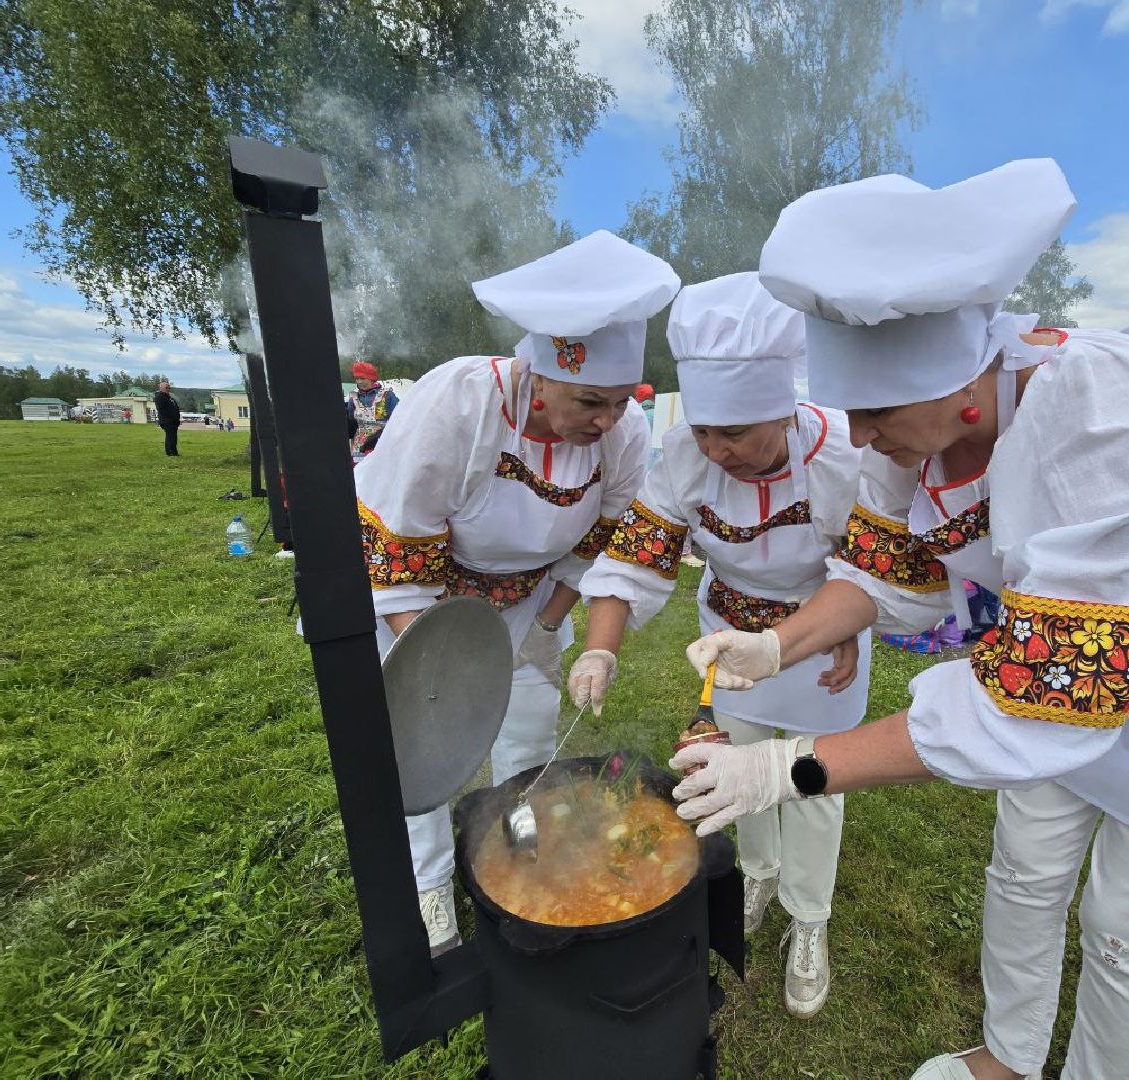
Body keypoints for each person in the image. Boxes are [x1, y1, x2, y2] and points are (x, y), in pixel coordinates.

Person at [669, 162, 1129, 1080]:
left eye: (874, 412)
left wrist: (785, 767)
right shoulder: (908, 439)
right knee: (1027, 862)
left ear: (961, 379)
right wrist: (777, 641)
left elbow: (1044, 695)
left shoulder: (1110, 408)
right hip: (1075, 669)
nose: (861, 435)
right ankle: (1008, 1056)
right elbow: (883, 576)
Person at [571, 273, 894, 1018]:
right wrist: (602, 649)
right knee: (735, 762)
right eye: (706, 430)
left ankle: (809, 919)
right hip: (727, 636)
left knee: (816, 779)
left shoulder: (842, 454)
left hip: (819, 635)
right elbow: (634, 557)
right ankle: (757, 870)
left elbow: (873, 563)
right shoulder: (685, 456)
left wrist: (851, 626)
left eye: (737, 434)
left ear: (783, 408)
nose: (716, 451)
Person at [354, 230, 676, 951]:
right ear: (539, 375)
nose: (610, 421)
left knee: (528, 728)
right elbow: (402, 555)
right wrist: (454, 665)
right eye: (591, 400)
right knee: (425, 743)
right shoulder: (458, 405)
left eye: (622, 401)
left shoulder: (619, 436)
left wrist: (544, 629)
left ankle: (517, 848)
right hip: (423, 604)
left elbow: (597, 545)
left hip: (530, 599)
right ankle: (431, 883)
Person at [345, 361, 400, 461]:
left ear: (371, 378)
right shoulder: (353, 397)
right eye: (357, 379)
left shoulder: (387, 395)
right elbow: (351, 422)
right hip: (360, 446)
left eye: (362, 378)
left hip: (382, 443)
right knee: (359, 473)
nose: (359, 382)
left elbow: (398, 418)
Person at [153, 380, 180, 456]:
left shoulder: (168, 397)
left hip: (173, 421)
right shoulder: (159, 397)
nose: (168, 389)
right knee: (170, 437)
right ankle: (170, 452)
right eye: (166, 388)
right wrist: (171, 417)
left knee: (173, 437)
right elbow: (162, 409)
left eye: (169, 388)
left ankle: (173, 451)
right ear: (161, 388)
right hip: (167, 421)